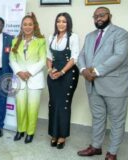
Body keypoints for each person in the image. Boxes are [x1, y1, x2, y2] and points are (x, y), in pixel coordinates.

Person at [77, 7, 128, 160]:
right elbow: (81, 55)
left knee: (116, 120)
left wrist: (94, 71)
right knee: (97, 117)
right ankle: (96, 147)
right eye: (95, 16)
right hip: (93, 84)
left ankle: (112, 152)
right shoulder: (90, 36)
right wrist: (83, 70)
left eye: (102, 15)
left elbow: (119, 56)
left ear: (110, 16)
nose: (98, 19)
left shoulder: (121, 33)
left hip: (116, 85)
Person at [9, 13, 46, 144]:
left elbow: (42, 61)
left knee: (32, 107)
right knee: (20, 107)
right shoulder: (15, 41)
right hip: (19, 79)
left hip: (34, 79)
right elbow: (12, 60)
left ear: (34, 26)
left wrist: (28, 72)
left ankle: (30, 132)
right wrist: (19, 72)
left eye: (30, 24)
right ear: (21, 26)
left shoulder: (41, 41)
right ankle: (20, 130)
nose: (28, 27)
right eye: (25, 24)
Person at [46, 12, 79, 149]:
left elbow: (74, 58)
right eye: (58, 21)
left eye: (64, 21)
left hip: (68, 74)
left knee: (63, 105)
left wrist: (62, 72)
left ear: (68, 23)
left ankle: (62, 136)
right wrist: (50, 70)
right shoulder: (51, 37)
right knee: (53, 104)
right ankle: (54, 133)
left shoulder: (73, 37)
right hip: (53, 74)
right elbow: (48, 57)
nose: (61, 24)